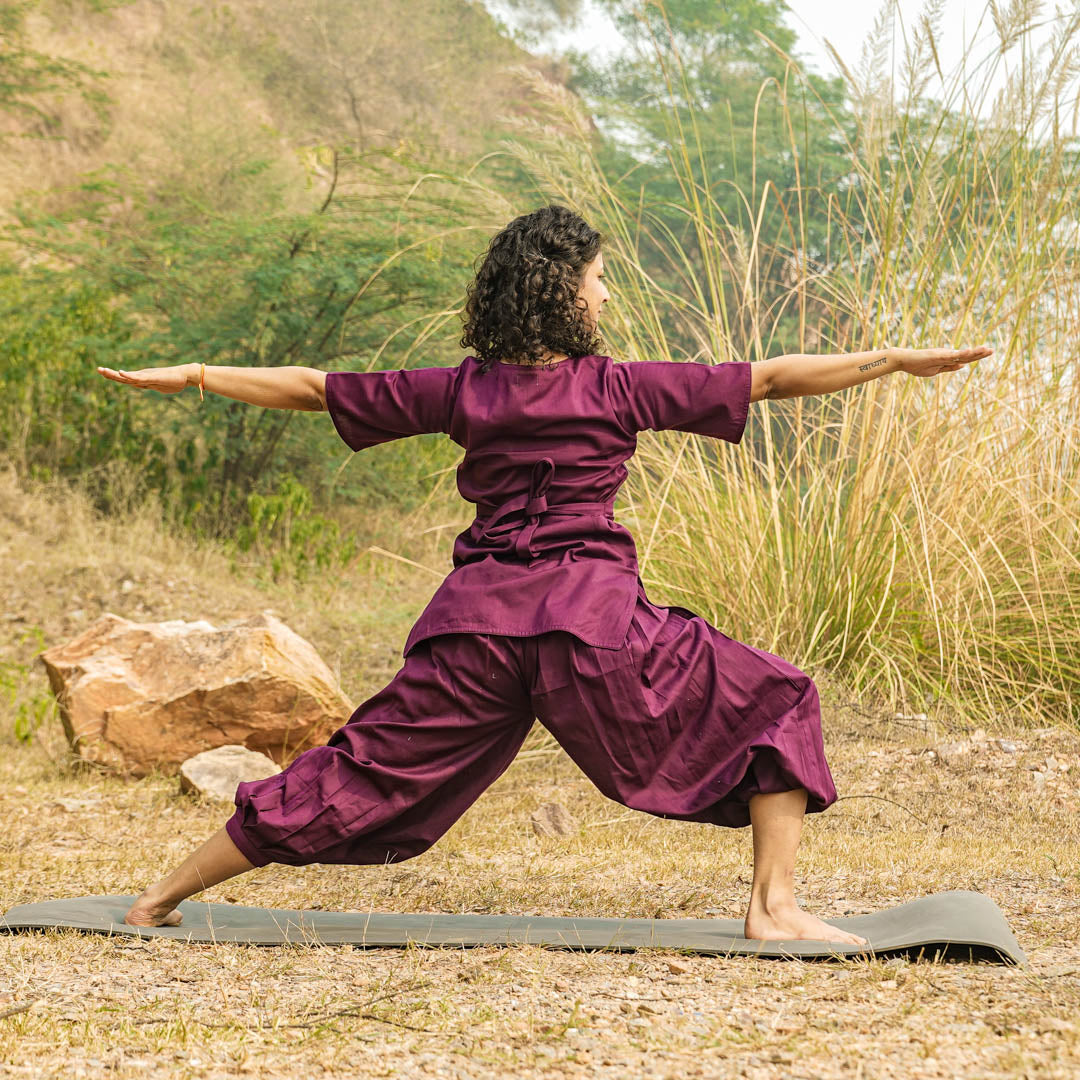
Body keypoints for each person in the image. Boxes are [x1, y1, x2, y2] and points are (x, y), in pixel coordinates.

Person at [97, 204, 989, 944]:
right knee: (776, 700)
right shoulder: (619, 386)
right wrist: (896, 360)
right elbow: (771, 379)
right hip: (590, 628)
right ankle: (774, 908)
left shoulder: (462, 389)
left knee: (364, 768)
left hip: (473, 631)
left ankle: (160, 897)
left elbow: (313, 387)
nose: (607, 293)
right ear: (566, 291)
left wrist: (200, 374)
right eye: (601, 278)